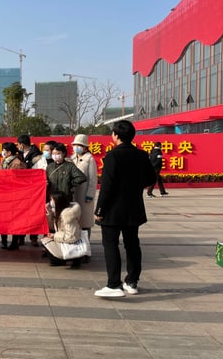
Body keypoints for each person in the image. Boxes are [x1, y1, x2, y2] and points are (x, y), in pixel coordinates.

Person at [94, 120, 156, 298]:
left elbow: (107, 187)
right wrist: (135, 186)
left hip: (113, 209)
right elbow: (151, 178)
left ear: (116, 135)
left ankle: (114, 284)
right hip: (133, 207)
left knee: (110, 245)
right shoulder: (141, 155)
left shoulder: (113, 156)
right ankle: (132, 281)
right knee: (132, 244)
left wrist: (99, 211)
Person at [70, 134, 98, 264]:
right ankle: (76, 249)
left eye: (79, 146)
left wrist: (90, 195)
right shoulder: (72, 158)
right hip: (73, 195)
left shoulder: (90, 159)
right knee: (74, 222)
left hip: (85, 196)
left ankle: (86, 251)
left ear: (85, 147)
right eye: (75, 145)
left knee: (85, 225)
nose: (76, 147)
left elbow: (93, 179)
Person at [43, 190, 83, 269]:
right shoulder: (58, 211)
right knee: (45, 240)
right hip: (65, 237)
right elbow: (51, 226)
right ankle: (64, 258)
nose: (50, 202)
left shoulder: (67, 215)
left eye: (52, 200)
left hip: (71, 240)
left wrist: (55, 236)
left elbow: (71, 236)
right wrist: (49, 212)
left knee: (46, 241)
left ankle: (72, 258)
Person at [0, 142, 27, 250]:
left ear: (9, 152)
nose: (3, 152)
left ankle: (14, 242)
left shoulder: (17, 163)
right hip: (3, 194)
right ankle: (4, 241)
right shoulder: (4, 161)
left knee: (14, 219)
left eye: (4, 150)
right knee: (2, 218)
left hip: (14, 196)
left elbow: (15, 180)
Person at [17, 134, 44, 247]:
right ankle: (21, 236)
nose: (18, 146)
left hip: (34, 189)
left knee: (34, 213)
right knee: (22, 213)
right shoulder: (19, 155)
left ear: (22, 145)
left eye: (18, 144)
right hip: (21, 188)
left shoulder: (36, 155)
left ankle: (34, 237)